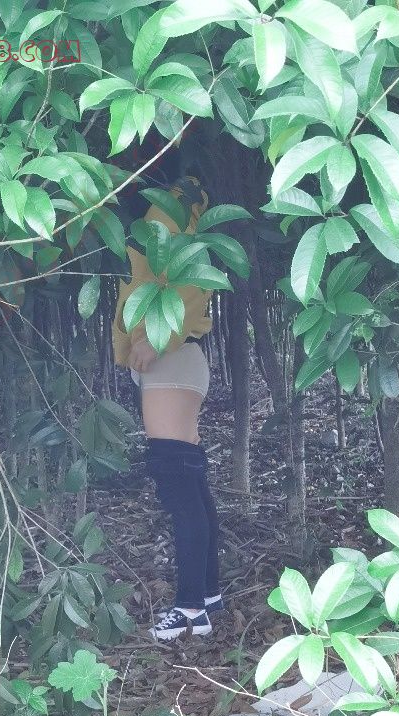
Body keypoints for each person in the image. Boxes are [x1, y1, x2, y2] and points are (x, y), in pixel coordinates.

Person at [112, 150, 223, 642]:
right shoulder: (181, 204)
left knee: (176, 480)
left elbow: (190, 283)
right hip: (175, 357)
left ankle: (191, 607)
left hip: (169, 356)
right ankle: (207, 594)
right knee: (188, 478)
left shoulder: (170, 207)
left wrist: (156, 339)